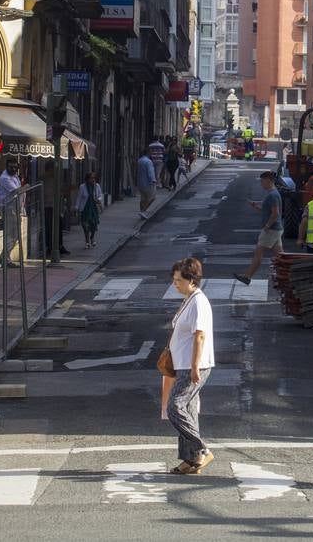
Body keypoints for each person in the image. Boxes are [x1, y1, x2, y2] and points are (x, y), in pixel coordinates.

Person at [167, 257, 215, 475]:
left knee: (175, 407)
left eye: (178, 280)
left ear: (192, 279)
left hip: (194, 365)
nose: (174, 283)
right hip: (184, 363)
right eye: (174, 279)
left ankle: (201, 449)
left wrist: (195, 366)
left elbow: (200, 336)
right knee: (188, 409)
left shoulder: (198, 302)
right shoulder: (189, 298)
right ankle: (191, 459)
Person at [234, 171, 283, 285]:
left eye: (262, 181)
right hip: (276, 229)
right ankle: (287, 275)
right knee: (281, 256)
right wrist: (256, 206)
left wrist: (267, 226)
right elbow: (268, 210)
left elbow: (275, 214)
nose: (261, 184)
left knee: (258, 253)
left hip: (271, 229)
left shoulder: (273, 195)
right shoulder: (272, 194)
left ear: (269, 181)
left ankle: (247, 276)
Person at [0, 159, 21, 268]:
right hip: (9, 208)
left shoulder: (15, 176)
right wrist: (28, 187)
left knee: (15, 235)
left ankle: (4, 257)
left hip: (16, 208)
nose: (13, 169)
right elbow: (16, 191)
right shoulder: (4, 178)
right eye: (11, 167)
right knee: (11, 235)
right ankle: (5, 259)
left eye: (15, 167)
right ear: (6, 167)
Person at [43, 160, 69, 257]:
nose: (55, 171)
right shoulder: (44, 179)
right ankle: (50, 247)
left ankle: (59, 245)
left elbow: (59, 191)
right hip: (47, 206)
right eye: (54, 169)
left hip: (55, 206)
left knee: (59, 225)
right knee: (49, 227)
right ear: (50, 169)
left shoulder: (55, 179)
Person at [75, 173, 103, 248]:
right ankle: (87, 241)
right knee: (85, 226)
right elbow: (79, 198)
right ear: (87, 179)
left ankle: (92, 237)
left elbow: (100, 195)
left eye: (94, 178)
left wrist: (99, 199)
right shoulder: (82, 187)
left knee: (94, 224)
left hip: (93, 208)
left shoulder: (97, 186)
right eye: (91, 178)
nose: (93, 179)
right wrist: (76, 208)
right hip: (85, 209)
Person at [137, 148, 156, 218]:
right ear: (148, 153)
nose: (151, 154)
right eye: (151, 152)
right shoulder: (148, 161)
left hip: (140, 182)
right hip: (148, 183)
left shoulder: (139, 160)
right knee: (152, 197)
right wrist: (153, 180)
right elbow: (150, 172)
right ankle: (143, 211)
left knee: (142, 198)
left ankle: (142, 212)